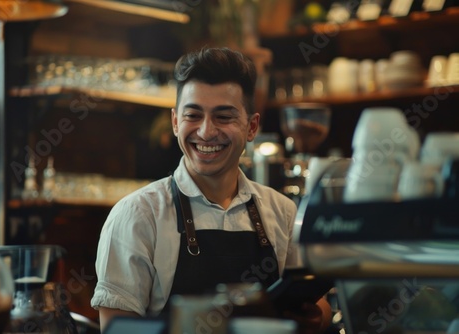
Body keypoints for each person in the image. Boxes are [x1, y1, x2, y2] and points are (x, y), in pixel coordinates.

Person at [91, 47, 331, 333]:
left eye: (224, 117)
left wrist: (314, 318)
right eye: (193, 115)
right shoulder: (138, 215)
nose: (206, 132)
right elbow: (117, 327)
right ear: (175, 122)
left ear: (251, 127)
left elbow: (322, 308)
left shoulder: (282, 211)